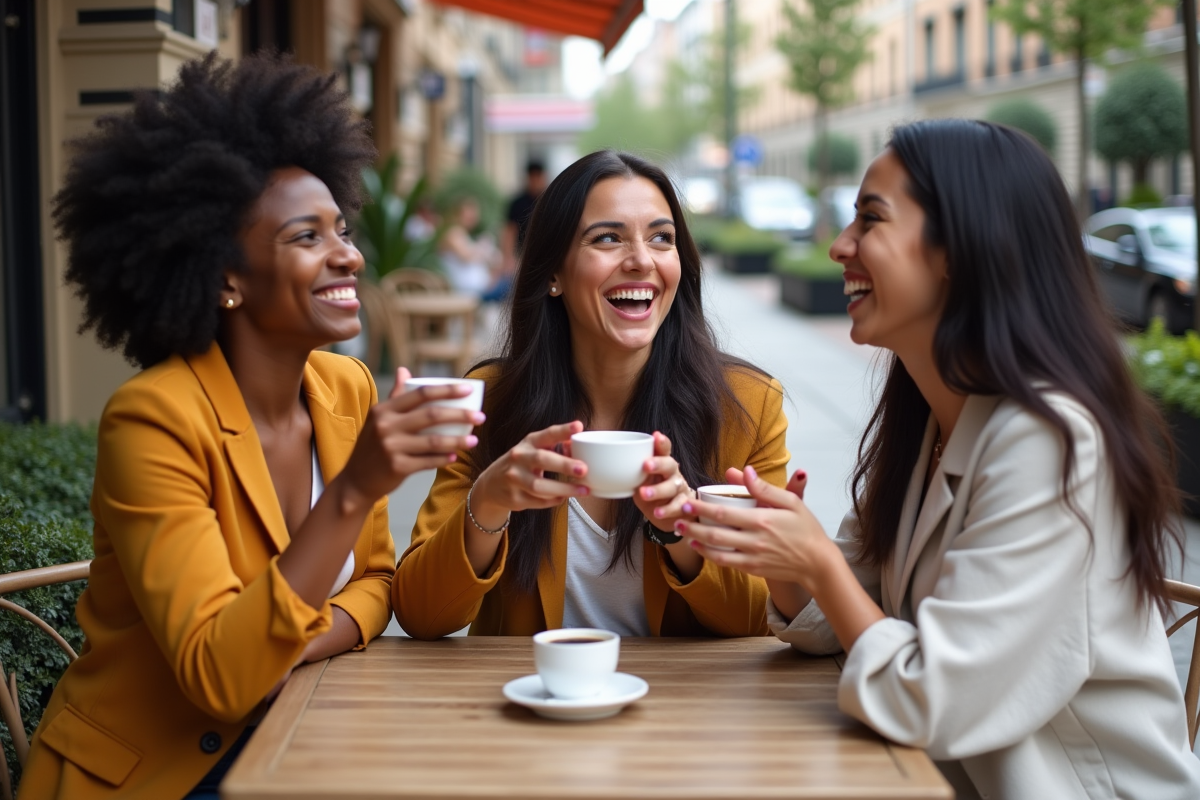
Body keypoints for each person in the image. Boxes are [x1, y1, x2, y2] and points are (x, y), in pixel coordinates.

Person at [679, 119, 1200, 799]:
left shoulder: (1050, 442)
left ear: (959, 247)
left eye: (870, 220)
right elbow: (849, 616)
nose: (840, 246)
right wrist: (783, 558)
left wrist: (818, 562)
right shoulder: (930, 419)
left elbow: (931, 702)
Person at [19, 55, 482, 800]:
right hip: (159, 774)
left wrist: (288, 645)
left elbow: (377, 586)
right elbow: (221, 680)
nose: (350, 255)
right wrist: (357, 488)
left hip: (304, 735)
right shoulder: (154, 419)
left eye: (343, 229)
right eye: (307, 237)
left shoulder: (345, 387)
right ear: (226, 279)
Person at [393, 150, 789, 639]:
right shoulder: (490, 402)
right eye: (608, 238)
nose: (642, 260)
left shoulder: (748, 407)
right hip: (528, 703)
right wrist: (489, 502)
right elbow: (420, 613)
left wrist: (680, 530)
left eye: (661, 238)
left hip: (687, 708)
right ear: (553, 274)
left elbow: (763, 619)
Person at [438, 196, 510, 302]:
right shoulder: (454, 233)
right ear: (459, 213)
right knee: (514, 284)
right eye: (469, 213)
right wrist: (482, 249)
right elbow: (465, 256)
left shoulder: (462, 233)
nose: (473, 217)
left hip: (478, 287)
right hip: (468, 290)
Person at [499, 159, 548, 275]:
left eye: (538, 176)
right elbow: (510, 231)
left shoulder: (548, 201)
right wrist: (508, 258)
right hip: (521, 254)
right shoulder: (517, 203)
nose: (535, 180)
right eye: (533, 176)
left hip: (545, 253)